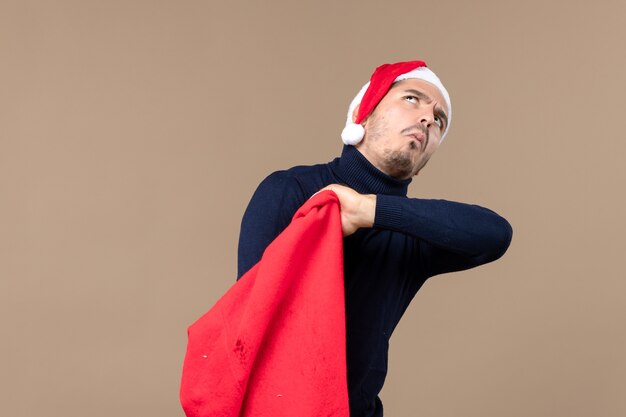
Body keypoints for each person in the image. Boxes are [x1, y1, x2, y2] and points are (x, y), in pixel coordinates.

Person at [236, 60, 513, 417]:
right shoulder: (292, 189)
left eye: (439, 119)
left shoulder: (411, 237)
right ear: (363, 113)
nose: (429, 118)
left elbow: (495, 234)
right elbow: (250, 323)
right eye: (412, 98)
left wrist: (370, 211)